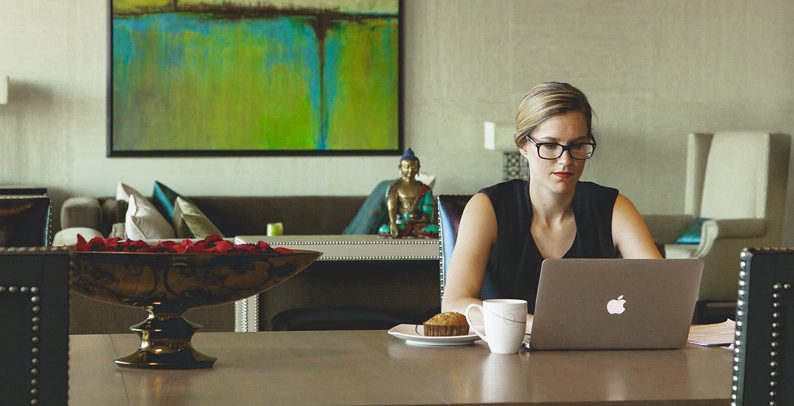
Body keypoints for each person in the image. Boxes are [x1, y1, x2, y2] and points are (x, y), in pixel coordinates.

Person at [441, 82, 662, 329]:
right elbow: (454, 304)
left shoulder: (614, 208)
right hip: (501, 357)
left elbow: (661, 296)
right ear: (523, 146)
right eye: (549, 145)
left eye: (578, 145)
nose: (565, 160)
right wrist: (542, 326)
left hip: (593, 358)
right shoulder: (487, 208)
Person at [378, 148, 438, 238]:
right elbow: (392, 208)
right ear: (400, 168)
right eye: (407, 167)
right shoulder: (395, 188)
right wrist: (393, 223)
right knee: (384, 229)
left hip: (419, 225)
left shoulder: (425, 189)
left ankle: (412, 231)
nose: (410, 170)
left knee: (437, 229)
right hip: (402, 223)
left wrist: (420, 219)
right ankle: (412, 232)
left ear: (418, 168)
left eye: (413, 167)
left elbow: (428, 213)